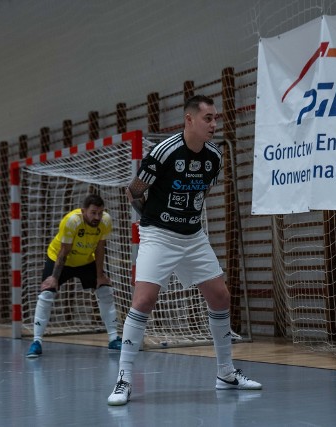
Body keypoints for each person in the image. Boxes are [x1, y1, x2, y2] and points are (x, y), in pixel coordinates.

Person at [107, 94, 261, 406]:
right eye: (208, 118)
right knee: (144, 300)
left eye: (216, 118)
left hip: (192, 236)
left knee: (221, 297)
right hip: (159, 235)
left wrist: (184, 218)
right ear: (189, 120)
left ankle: (225, 373)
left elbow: (200, 194)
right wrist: (153, 219)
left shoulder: (214, 158)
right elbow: (134, 192)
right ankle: (123, 379)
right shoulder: (164, 152)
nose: (214, 124)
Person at [26, 194, 122, 357]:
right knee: (47, 293)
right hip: (60, 259)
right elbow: (63, 252)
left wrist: (100, 276)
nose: (97, 217)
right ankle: (36, 342)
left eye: (99, 213)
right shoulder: (72, 221)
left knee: (104, 289)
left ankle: (113, 339)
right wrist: (54, 278)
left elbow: (100, 249)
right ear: (84, 211)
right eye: (93, 213)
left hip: (85, 260)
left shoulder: (105, 221)